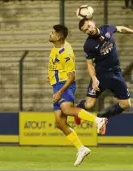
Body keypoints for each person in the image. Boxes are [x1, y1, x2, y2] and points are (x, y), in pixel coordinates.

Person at [47, 24, 108, 166]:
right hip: (56, 85)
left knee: (67, 109)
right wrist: (50, 76)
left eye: (52, 32)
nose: (50, 34)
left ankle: (98, 121)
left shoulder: (66, 53)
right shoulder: (55, 49)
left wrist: (60, 92)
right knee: (60, 123)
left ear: (59, 36)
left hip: (64, 85)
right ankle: (81, 148)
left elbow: (71, 77)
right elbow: (55, 66)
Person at [74, 18, 133, 125]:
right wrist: (94, 79)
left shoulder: (107, 28)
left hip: (116, 73)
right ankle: (79, 108)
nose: (89, 30)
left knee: (126, 104)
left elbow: (120, 29)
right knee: (89, 105)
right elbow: (89, 64)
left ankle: (102, 117)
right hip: (101, 76)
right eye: (85, 30)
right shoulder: (88, 45)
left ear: (93, 23)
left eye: (89, 26)